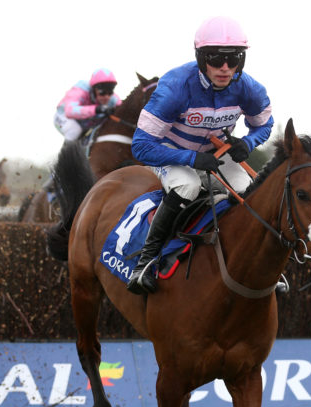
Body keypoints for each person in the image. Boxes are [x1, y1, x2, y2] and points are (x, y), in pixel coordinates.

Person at [127, 16, 274, 294]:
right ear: (200, 57)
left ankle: (257, 267)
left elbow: (264, 124)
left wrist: (248, 142)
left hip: (215, 153)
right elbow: (141, 146)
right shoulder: (174, 87)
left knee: (248, 191)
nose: (225, 67)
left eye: (233, 58)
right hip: (171, 152)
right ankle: (145, 263)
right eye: (215, 58)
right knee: (188, 185)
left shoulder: (250, 89)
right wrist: (191, 159)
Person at [53, 68, 123, 142]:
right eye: (102, 92)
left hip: (86, 124)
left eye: (110, 92)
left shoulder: (113, 99)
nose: (106, 97)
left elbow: (123, 109)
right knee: (75, 130)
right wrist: (96, 109)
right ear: (94, 89)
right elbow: (69, 111)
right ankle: (66, 149)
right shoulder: (80, 91)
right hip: (63, 117)